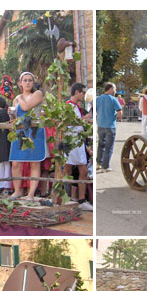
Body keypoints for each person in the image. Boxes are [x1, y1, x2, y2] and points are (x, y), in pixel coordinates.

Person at [8, 72, 47, 201]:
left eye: (30, 80)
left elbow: (26, 107)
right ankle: (17, 191)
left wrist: (19, 98)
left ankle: (30, 194)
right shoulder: (16, 99)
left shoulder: (37, 94)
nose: (27, 82)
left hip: (34, 132)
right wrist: (11, 114)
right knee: (15, 163)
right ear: (20, 82)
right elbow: (15, 117)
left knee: (34, 164)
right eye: (25, 80)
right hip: (20, 132)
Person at [64, 83, 93, 212]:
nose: (83, 94)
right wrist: (85, 119)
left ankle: (78, 199)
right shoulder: (68, 106)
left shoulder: (76, 106)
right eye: (82, 92)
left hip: (78, 142)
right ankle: (71, 198)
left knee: (81, 171)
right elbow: (69, 123)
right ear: (76, 92)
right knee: (71, 170)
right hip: (72, 141)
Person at [96, 83, 122, 172]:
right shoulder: (113, 99)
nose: (115, 90)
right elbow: (119, 112)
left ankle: (99, 163)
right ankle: (105, 166)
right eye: (114, 89)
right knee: (109, 147)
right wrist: (118, 118)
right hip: (110, 126)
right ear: (110, 89)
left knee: (100, 145)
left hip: (100, 125)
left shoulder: (98, 99)